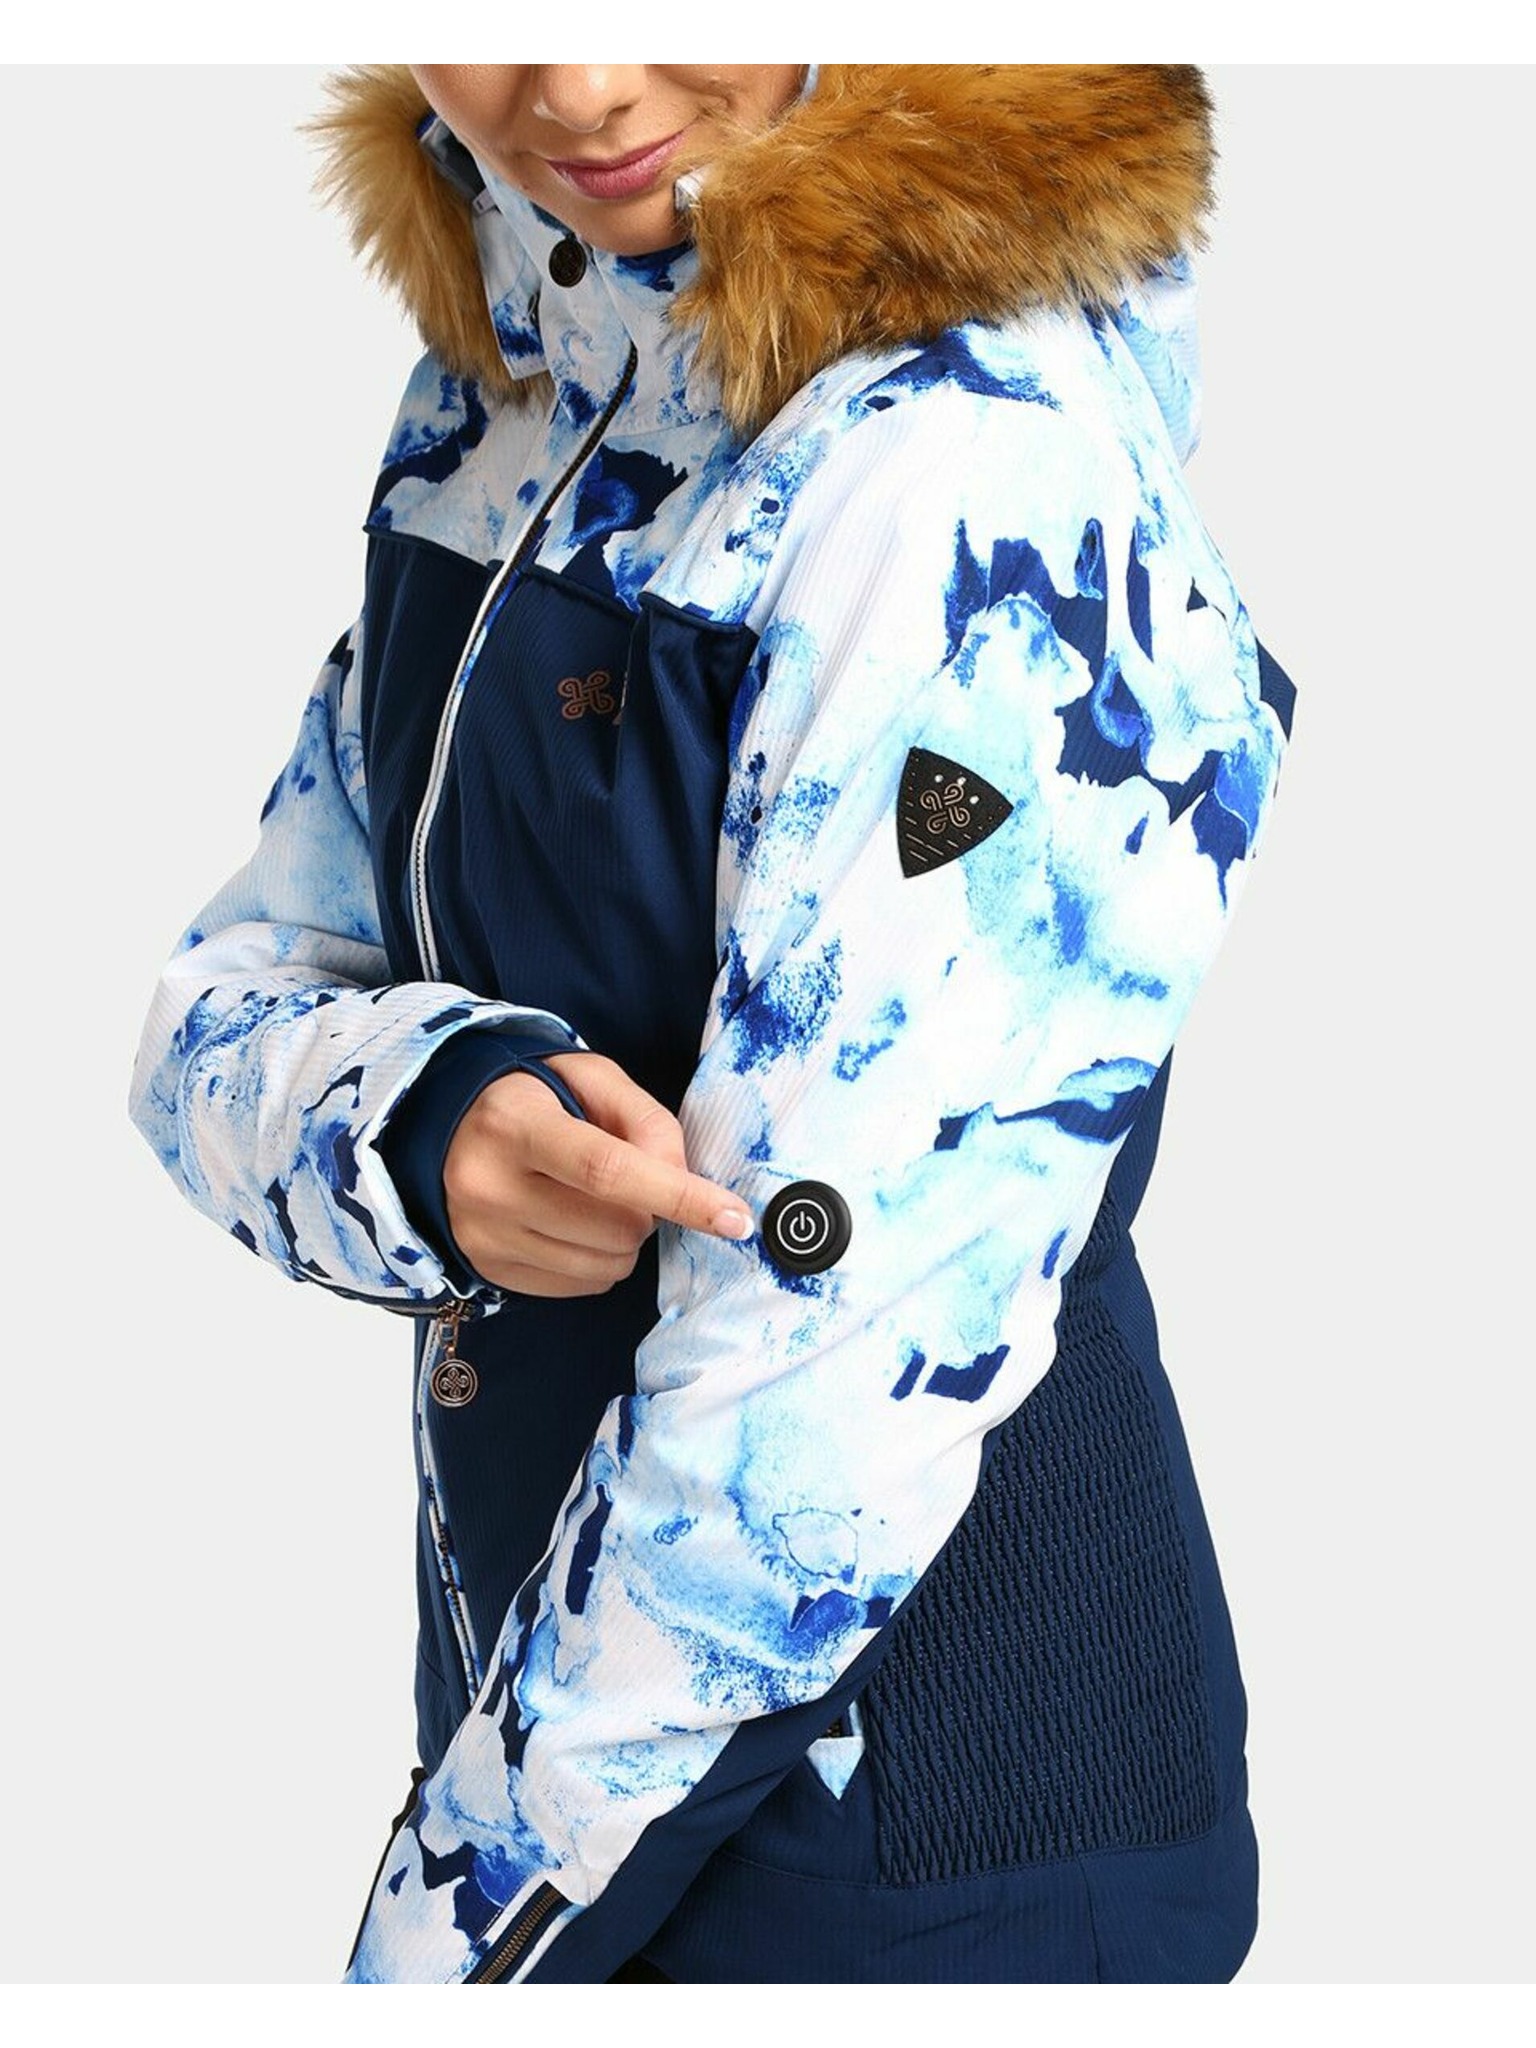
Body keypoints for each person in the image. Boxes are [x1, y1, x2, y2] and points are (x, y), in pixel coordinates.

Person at [128, 62, 1297, 1985]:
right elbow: (226, 1001)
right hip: (580, 1778)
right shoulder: (519, 393)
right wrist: (429, 1113)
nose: (581, 87)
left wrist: (440, 1958)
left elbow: (820, 1394)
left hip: (935, 1863)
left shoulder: (967, 459)